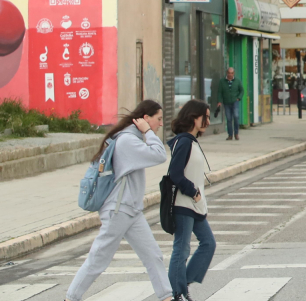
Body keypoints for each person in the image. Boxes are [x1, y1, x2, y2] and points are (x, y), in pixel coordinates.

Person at [66, 100, 172, 301]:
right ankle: (70, 298)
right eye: (158, 119)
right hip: (119, 209)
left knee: (153, 255)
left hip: (131, 210)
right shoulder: (127, 141)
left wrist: (146, 132)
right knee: (98, 258)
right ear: (145, 118)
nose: (160, 124)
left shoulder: (130, 138)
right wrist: (148, 132)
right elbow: (159, 155)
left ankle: (166, 297)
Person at [167, 101, 215, 301]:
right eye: (206, 117)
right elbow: (175, 173)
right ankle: (178, 293)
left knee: (208, 243)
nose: (208, 121)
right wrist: (193, 191)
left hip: (195, 205)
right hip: (184, 204)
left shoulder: (191, 141)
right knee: (182, 248)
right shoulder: (184, 142)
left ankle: (182, 282)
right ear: (194, 117)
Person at [215, 67, 243, 140]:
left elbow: (242, 90)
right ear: (226, 73)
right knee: (229, 118)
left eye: (232, 73)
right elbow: (219, 92)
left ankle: (236, 134)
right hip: (226, 102)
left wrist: (239, 98)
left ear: (234, 73)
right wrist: (219, 101)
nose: (230, 74)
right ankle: (230, 135)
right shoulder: (222, 81)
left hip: (235, 101)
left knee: (236, 116)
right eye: (229, 73)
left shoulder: (237, 81)